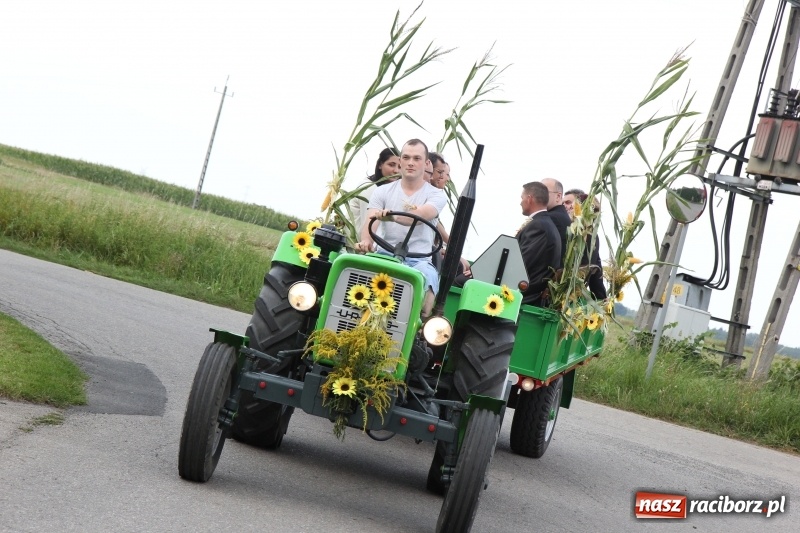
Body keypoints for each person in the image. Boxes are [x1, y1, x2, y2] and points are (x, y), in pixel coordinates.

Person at [357, 139, 446, 317]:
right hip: (384, 253)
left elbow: (421, 215)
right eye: (406, 157)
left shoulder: (436, 194)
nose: (411, 163)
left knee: (428, 278)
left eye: (417, 158)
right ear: (401, 161)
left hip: (417, 260)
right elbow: (371, 221)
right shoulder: (383, 191)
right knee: (355, 269)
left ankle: (418, 325)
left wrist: (393, 216)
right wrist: (366, 241)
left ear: (426, 162)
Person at [517, 181, 561, 306]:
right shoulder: (544, 223)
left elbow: (522, 262)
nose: (520, 202)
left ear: (529, 199)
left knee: (462, 281)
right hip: (530, 288)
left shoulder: (539, 226)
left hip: (527, 292)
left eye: (522, 198)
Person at [562, 188, 607, 300]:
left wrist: (601, 299)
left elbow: (595, 269)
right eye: (562, 203)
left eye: (568, 203)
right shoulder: (571, 229)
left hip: (569, 292)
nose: (564, 206)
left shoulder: (589, 236)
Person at [350, 148, 401, 240]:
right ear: (380, 165)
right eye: (391, 165)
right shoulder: (369, 188)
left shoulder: (390, 190)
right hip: (357, 246)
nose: (396, 171)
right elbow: (369, 223)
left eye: (400, 167)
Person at [541, 178, 571, 267]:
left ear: (558, 196)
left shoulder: (551, 218)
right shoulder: (560, 216)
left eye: (543, 191)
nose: (538, 195)